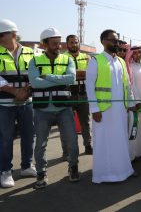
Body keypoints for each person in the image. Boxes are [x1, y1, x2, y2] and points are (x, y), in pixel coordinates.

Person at [28, 28, 80, 189]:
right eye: (54, 43)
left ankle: (73, 167)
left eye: (59, 43)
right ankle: (41, 173)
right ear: (45, 44)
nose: (59, 46)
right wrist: (59, 80)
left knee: (71, 140)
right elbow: (35, 83)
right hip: (42, 110)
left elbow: (71, 78)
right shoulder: (34, 61)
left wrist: (47, 76)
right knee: (41, 144)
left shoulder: (67, 60)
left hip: (64, 107)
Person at [86, 29, 136, 183]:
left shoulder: (120, 61)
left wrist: (131, 103)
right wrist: (95, 109)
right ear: (103, 41)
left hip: (121, 110)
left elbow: (127, 85)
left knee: (120, 140)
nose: (116, 43)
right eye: (113, 40)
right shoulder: (96, 60)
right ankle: (103, 175)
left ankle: (123, 171)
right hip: (104, 110)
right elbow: (89, 86)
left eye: (117, 40)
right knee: (104, 142)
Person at [0, 19, 36, 188]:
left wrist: (27, 90)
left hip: (27, 102)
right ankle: (5, 171)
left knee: (29, 135)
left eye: (1, 35)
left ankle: (27, 166)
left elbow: (36, 73)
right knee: (5, 138)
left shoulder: (30, 52)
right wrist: (16, 92)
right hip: (4, 104)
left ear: (14, 34)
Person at [64, 34, 92, 155]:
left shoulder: (86, 57)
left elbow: (91, 74)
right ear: (67, 44)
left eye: (76, 42)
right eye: (71, 42)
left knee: (85, 122)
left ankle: (88, 146)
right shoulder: (62, 57)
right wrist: (80, 73)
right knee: (66, 125)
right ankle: (67, 151)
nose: (74, 44)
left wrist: (76, 74)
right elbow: (64, 76)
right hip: (68, 95)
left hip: (83, 93)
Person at [125, 45, 141, 161]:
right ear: (131, 54)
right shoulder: (129, 67)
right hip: (136, 103)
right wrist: (137, 101)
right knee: (135, 129)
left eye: (140, 52)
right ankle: (133, 154)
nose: (138, 54)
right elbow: (131, 87)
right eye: (135, 53)